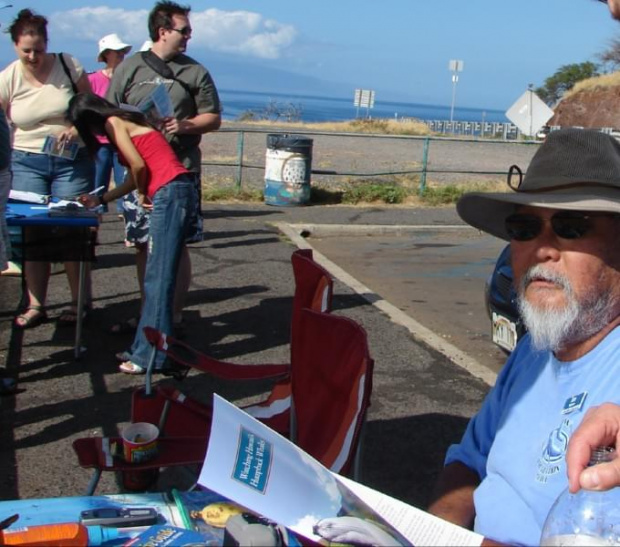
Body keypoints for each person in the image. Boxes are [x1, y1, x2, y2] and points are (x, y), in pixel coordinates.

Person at [427, 128, 620, 545]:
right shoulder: (533, 353)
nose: (542, 249)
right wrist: (428, 533)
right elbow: (469, 462)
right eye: (525, 227)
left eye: (570, 226)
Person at [106, 0, 221, 342]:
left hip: (181, 169)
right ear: (162, 31)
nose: (188, 36)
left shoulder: (196, 72)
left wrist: (184, 124)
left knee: (178, 244)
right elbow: (110, 109)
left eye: (189, 31)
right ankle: (148, 314)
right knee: (143, 244)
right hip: (141, 171)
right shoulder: (131, 68)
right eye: (183, 30)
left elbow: (212, 118)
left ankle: (172, 314)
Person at [68, 92, 198, 375]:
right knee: (154, 278)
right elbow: (132, 175)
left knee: (159, 279)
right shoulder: (127, 120)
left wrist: (142, 192)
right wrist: (102, 199)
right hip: (174, 190)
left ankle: (151, 356)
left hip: (170, 193)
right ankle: (142, 348)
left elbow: (138, 166)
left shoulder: (114, 122)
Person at [0, 9, 94, 329]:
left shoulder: (68, 65)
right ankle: (36, 303)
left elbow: (92, 106)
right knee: (33, 234)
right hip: (26, 160)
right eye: (26, 50)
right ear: (14, 46)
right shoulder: (9, 76)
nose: (33, 56)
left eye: (38, 49)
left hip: (72, 159)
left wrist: (79, 129)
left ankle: (78, 302)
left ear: (47, 44)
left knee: (72, 231)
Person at [88, 33, 132, 215]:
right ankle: (94, 225)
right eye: (117, 51)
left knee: (125, 184)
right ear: (107, 54)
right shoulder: (92, 80)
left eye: (122, 51)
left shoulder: (127, 79)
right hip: (100, 141)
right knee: (98, 184)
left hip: (121, 139)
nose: (121, 54)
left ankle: (129, 226)